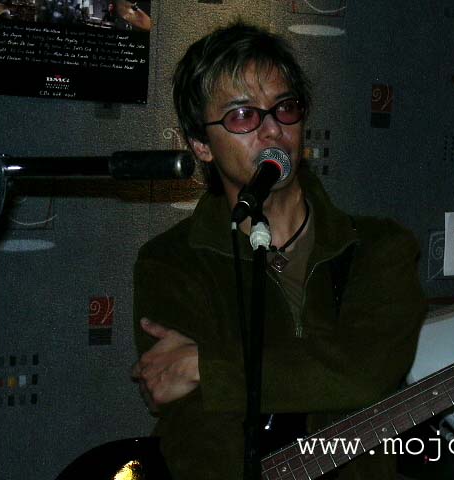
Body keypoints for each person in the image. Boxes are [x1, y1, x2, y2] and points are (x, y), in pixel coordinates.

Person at [131, 21, 426, 480]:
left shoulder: (381, 246)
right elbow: (194, 429)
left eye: (285, 108)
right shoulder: (171, 261)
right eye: (242, 116)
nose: (272, 130)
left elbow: (364, 371)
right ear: (201, 145)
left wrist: (208, 366)